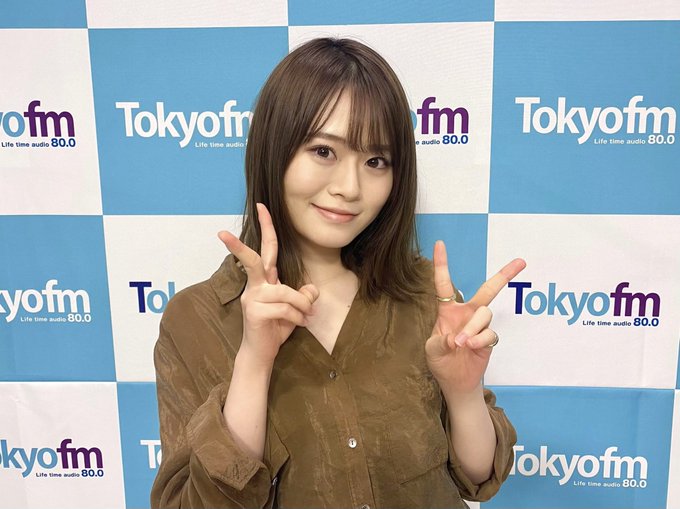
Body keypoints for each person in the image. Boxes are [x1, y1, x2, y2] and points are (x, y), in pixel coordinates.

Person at [151, 37, 525, 509]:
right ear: (274, 149)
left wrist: (463, 391)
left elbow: (478, 476)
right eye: (324, 151)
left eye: (375, 161)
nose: (350, 187)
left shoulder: (424, 295)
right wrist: (254, 362)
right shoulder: (195, 318)